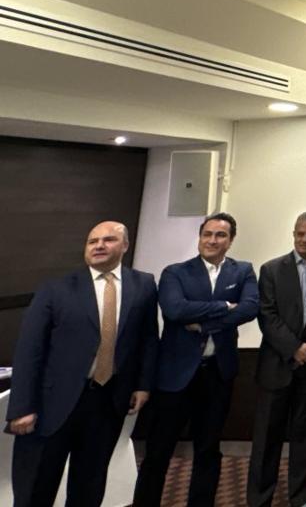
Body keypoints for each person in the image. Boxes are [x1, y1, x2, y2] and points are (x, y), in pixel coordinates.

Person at [7, 221, 158, 507]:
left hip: (107, 401)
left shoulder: (144, 286)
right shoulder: (56, 289)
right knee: (36, 487)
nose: (99, 245)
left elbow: (148, 338)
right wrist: (22, 407)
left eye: (108, 239)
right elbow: (30, 350)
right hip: (52, 405)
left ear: (125, 245)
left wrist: (143, 384)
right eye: (92, 241)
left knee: (89, 485)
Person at [133, 212, 259, 507]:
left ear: (231, 240)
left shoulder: (242, 271)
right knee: (158, 451)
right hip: (175, 376)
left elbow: (250, 308)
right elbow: (175, 310)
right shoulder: (175, 272)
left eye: (220, 235)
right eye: (207, 234)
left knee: (208, 449)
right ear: (200, 236)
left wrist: (204, 324)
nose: (212, 240)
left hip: (217, 374)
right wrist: (225, 306)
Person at [246, 211, 306, 507]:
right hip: (277, 366)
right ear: (293, 233)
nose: (305, 239)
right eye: (300, 233)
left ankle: (301, 499)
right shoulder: (272, 269)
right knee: (266, 439)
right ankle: (259, 499)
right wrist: (294, 349)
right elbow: (267, 315)